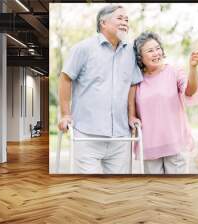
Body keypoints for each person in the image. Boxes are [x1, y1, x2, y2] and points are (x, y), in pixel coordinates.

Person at [58, 5, 143, 174]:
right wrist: (66, 114)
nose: (125, 23)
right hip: (87, 135)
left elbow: (133, 84)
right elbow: (65, 78)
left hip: (121, 136)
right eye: (120, 18)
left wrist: (131, 115)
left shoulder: (130, 53)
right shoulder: (83, 48)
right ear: (103, 22)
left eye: (127, 20)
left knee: (118, 191)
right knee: (89, 190)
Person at [129, 31, 198, 174]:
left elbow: (190, 91)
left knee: (175, 191)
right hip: (149, 146)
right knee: (156, 192)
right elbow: (131, 107)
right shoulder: (137, 80)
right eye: (150, 51)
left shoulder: (174, 72)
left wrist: (193, 68)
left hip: (175, 144)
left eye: (158, 48)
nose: (156, 53)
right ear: (140, 57)